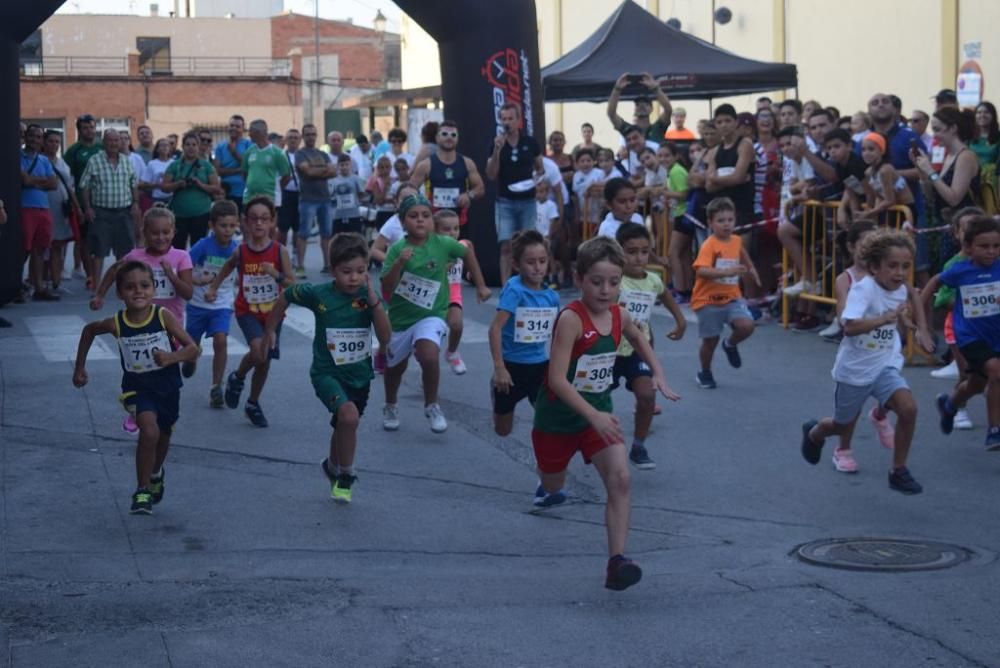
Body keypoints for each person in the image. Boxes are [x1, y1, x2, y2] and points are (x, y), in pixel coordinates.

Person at [530, 236, 679, 591]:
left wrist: (657, 372)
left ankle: (617, 562)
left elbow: (638, 336)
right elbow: (556, 380)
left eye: (614, 282)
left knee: (621, 480)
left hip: (599, 413)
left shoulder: (618, 313)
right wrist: (591, 415)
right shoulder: (571, 319)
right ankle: (549, 481)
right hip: (557, 418)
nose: (606, 290)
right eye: (596, 282)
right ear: (579, 279)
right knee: (553, 485)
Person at [800, 229, 933, 494]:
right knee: (841, 425)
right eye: (892, 266)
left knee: (908, 409)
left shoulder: (901, 287)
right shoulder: (864, 290)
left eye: (905, 266)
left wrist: (921, 329)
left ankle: (898, 470)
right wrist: (884, 319)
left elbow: (912, 297)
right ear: (874, 267)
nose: (900, 273)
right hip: (855, 369)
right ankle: (814, 433)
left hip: (884, 363)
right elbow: (849, 327)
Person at [265, 232, 391, 503]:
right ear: (333, 270)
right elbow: (286, 295)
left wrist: (375, 303)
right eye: (347, 272)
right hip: (326, 374)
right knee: (348, 417)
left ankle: (332, 466)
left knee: (344, 425)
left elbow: (385, 337)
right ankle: (346, 475)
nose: (354, 278)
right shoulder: (318, 293)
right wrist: (270, 331)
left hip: (359, 376)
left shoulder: (368, 296)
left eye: (360, 271)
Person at [73, 261, 199, 514]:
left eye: (144, 285)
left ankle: (155, 474)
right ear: (120, 293)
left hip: (168, 387)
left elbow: (193, 348)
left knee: (163, 435)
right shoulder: (117, 323)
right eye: (130, 287)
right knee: (149, 431)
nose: (138, 291)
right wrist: (79, 368)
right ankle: (142, 490)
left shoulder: (162, 316)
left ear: (154, 289)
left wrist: (172, 357)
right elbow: (89, 331)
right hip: (137, 389)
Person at [380, 194, 491, 433]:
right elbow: (387, 286)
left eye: (425, 216)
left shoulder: (442, 243)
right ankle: (390, 404)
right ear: (402, 222)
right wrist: (399, 262)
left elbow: (467, 252)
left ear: (432, 220)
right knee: (394, 370)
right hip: (401, 318)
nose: (420, 220)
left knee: (429, 355)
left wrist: (481, 285)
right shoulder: (398, 249)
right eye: (413, 216)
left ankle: (432, 405)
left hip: (432, 314)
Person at [204, 196, 295, 428]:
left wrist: (276, 275)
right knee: (258, 352)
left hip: (273, 313)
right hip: (248, 311)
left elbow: (292, 286)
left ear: (272, 222)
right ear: (244, 222)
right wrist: (214, 287)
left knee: (264, 361)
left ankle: (253, 402)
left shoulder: (279, 251)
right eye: (254, 219)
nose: (259, 224)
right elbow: (227, 267)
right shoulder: (241, 251)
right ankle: (239, 376)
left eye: (265, 219)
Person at [613, 222, 686, 469]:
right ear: (619, 252)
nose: (639, 257)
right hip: (609, 350)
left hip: (637, 349)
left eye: (644, 251)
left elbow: (665, 295)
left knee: (647, 395)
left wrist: (681, 320)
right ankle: (586, 438)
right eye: (631, 251)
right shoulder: (613, 279)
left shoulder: (653, 280)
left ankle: (639, 445)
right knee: (593, 399)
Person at [928, 216, 1000, 450]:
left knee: (976, 384)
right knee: (996, 373)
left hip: (996, 334)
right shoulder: (959, 271)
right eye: (984, 246)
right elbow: (933, 284)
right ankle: (994, 431)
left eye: (996, 246)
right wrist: (920, 322)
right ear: (968, 247)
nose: (991, 252)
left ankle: (949, 405)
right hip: (969, 335)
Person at [489, 230, 560, 436]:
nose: (538, 267)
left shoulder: (552, 297)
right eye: (531, 262)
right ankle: (496, 389)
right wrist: (500, 368)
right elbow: (495, 329)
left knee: (549, 420)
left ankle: (547, 462)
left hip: (539, 366)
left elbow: (556, 335)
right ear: (517, 265)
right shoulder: (515, 291)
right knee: (503, 430)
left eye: (542, 261)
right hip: (511, 368)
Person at [922, 207, 983, 428]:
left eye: (977, 227)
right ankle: (958, 408)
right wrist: (967, 303)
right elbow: (942, 299)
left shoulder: (993, 262)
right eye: (966, 228)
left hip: (988, 325)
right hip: (959, 326)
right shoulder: (953, 265)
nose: (972, 232)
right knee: (966, 371)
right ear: (956, 234)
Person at [692, 197, 759, 389]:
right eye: (721, 220)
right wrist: (726, 272)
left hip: (731, 297)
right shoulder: (709, 245)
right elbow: (701, 270)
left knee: (747, 326)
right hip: (708, 300)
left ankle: (730, 344)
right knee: (710, 340)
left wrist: (752, 270)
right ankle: (705, 372)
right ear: (711, 223)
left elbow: (742, 254)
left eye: (730, 219)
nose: (726, 224)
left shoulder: (736, 240)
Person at [90, 207, 194, 331]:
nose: (160, 238)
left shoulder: (181, 257)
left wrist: (171, 275)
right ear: (144, 233)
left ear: (173, 232)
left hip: (171, 325)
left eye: (166, 232)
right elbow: (114, 269)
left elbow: (188, 294)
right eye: (155, 233)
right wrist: (100, 295)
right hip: (139, 323)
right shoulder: (135, 256)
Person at [181, 200, 240, 408]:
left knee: (221, 340)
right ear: (212, 226)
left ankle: (216, 386)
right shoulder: (203, 245)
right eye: (223, 226)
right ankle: (190, 360)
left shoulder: (236, 249)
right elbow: (184, 267)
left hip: (222, 304)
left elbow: (242, 274)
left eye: (232, 226)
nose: (228, 230)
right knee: (192, 345)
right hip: (198, 304)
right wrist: (197, 281)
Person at [485, 102, 544, 285]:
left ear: (518, 120)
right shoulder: (496, 144)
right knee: (506, 246)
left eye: (511, 118)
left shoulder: (530, 143)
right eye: (504, 119)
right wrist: (496, 150)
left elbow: (540, 168)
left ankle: (529, 283)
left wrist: (536, 179)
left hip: (527, 200)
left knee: (528, 245)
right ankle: (505, 287)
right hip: (505, 202)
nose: (507, 122)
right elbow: (491, 174)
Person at [79, 129, 141, 284]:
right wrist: (87, 208)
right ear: (104, 142)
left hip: (124, 212)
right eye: (110, 140)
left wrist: (135, 204)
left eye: (116, 140)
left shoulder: (127, 161)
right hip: (101, 213)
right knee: (98, 251)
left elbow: (134, 184)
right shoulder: (94, 160)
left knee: (124, 252)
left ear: (120, 142)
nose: (113, 143)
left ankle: (123, 284)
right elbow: (85, 185)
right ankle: (97, 286)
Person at [409, 120, 485, 228]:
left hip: (459, 222)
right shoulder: (426, 165)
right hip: (434, 222)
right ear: (437, 138)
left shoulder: (467, 163)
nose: (449, 137)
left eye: (453, 135)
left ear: (457, 138)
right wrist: (423, 204)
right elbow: (410, 189)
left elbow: (480, 188)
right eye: (444, 134)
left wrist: (469, 195)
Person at [914, 107, 980, 229]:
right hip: (946, 225)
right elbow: (932, 196)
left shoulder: (965, 157)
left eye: (937, 130)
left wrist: (930, 171)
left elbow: (954, 199)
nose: (934, 136)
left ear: (953, 128)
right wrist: (922, 172)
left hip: (964, 228)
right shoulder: (949, 156)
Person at [162, 131, 222, 250]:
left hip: (201, 213)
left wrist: (200, 185)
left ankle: (197, 268)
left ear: (198, 146)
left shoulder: (206, 166)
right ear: (183, 146)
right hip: (179, 214)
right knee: (178, 246)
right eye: (188, 144)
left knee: (198, 246)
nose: (191, 147)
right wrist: (178, 184)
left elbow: (216, 188)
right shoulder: (175, 165)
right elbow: (164, 187)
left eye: (194, 144)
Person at [19, 124, 59, 301]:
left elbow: (53, 184)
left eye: (38, 137)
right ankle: (15, 286)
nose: (34, 140)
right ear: (25, 137)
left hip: (43, 209)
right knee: (23, 250)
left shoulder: (43, 160)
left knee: (40, 249)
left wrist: (32, 181)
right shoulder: (17, 157)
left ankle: (39, 288)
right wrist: (41, 181)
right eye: (31, 136)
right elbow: (23, 180)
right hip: (25, 208)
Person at [64, 114, 103, 285]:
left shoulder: (103, 148)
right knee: (86, 241)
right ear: (79, 130)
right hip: (82, 202)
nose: (89, 130)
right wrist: (76, 206)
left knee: (101, 242)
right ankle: (91, 277)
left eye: (92, 127)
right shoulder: (74, 151)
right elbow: (67, 179)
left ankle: (100, 275)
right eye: (85, 128)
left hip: (104, 202)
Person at [705, 104, 755, 229]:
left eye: (728, 121)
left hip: (742, 207)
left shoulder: (744, 144)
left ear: (736, 122)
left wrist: (715, 179)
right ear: (715, 125)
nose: (724, 125)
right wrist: (731, 179)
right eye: (719, 122)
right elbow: (709, 187)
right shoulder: (714, 151)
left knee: (741, 248)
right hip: (721, 211)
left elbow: (737, 178)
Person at [295, 123, 335, 276]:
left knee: (326, 234)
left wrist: (314, 169)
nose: (311, 137)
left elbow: (333, 172)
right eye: (308, 134)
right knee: (303, 233)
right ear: (303, 137)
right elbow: (307, 171)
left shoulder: (322, 153)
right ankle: (300, 266)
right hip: (307, 199)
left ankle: (327, 264)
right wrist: (322, 169)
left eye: (313, 134)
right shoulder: (300, 154)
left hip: (325, 198)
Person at [43, 129, 80, 294]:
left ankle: (55, 281)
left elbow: (70, 186)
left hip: (61, 208)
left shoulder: (62, 163)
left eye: (57, 141)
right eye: (51, 141)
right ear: (44, 143)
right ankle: (41, 280)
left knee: (58, 245)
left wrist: (77, 206)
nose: (54, 144)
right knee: (43, 246)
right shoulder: (40, 161)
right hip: (45, 206)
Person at [606, 72, 673, 144]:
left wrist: (655, 88)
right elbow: (611, 113)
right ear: (634, 110)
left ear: (652, 109)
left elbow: (668, 110)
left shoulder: (658, 128)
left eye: (645, 104)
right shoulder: (627, 129)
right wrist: (617, 89)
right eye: (637, 104)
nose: (641, 106)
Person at [241, 119, 290, 205]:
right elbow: (244, 173)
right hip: (249, 198)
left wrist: (276, 188)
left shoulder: (277, 153)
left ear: (259, 132)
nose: (249, 134)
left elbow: (286, 176)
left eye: (251, 131)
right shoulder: (249, 151)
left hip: (270, 198)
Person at [213, 115, 252, 211]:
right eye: (231, 125)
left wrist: (234, 152)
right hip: (226, 193)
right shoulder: (220, 146)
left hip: (244, 193)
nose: (234, 128)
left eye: (237, 126)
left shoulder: (249, 145)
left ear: (243, 129)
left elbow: (250, 166)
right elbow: (217, 171)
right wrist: (238, 170)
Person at [330, 154, 367, 242]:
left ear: (350, 165)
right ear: (338, 166)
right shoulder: (333, 180)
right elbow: (331, 196)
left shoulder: (356, 179)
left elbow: (362, 194)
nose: (344, 167)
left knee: (356, 239)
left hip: (353, 215)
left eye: (346, 165)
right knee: (338, 240)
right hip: (338, 216)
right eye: (342, 165)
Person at [278, 127, 302, 251]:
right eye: (290, 137)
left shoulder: (304, 155)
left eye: (296, 138)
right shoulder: (280, 155)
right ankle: (281, 254)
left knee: (298, 228)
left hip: (300, 194)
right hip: (285, 195)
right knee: (283, 228)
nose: (293, 140)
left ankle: (295, 256)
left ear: (300, 140)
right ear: (285, 140)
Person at [139, 139, 174, 209]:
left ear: (170, 149)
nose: (165, 147)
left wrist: (169, 179)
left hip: (172, 198)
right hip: (157, 199)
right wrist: (157, 184)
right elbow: (141, 185)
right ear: (157, 149)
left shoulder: (174, 163)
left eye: (167, 145)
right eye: (162, 145)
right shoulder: (152, 164)